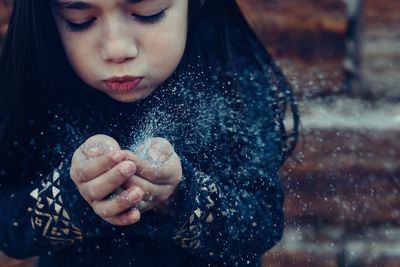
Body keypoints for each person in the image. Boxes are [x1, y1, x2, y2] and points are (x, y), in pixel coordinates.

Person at [0, 0, 299, 266]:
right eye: (81, 21)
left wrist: (179, 198)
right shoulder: (36, 88)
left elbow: (261, 226)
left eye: (148, 14)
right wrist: (75, 195)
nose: (117, 49)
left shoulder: (232, 79)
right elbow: (8, 230)